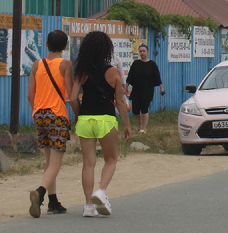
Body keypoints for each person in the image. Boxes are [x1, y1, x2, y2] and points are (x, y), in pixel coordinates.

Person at [69, 31, 132, 218]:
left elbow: (72, 98)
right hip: (105, 120)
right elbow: (120, 102)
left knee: (88, 164)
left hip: (85, 120)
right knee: (111, 159)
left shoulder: (81, 72)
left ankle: (89, 206)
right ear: (106, 49)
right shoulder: (113, 72)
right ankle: (101, 191)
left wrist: (79, 115)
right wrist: (127, 124)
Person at [26, 29, 73, 217]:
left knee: (48, 160)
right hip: (57, 115)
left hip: (39, 114)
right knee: (56, 162)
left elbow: (30, 94)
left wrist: (36, 110)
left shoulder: (37, 65)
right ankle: (40, 193)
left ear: (46, 44)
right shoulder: (65, 64)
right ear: (64, 47)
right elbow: (70, 92)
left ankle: (53, 202)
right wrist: (76, 112)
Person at [126, 43, 165, 134]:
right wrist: (126, 87)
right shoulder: (136, 64)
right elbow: (130, 77)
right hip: (136, 90)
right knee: (135, 110)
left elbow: (157, 77)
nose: (142, 53)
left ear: (147, 52)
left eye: (144, 51)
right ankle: (140, 122)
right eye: (140, 51)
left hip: (147, 90)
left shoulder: (152, 64)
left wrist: (161, 88)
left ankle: (143, 129)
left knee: (144, 108)